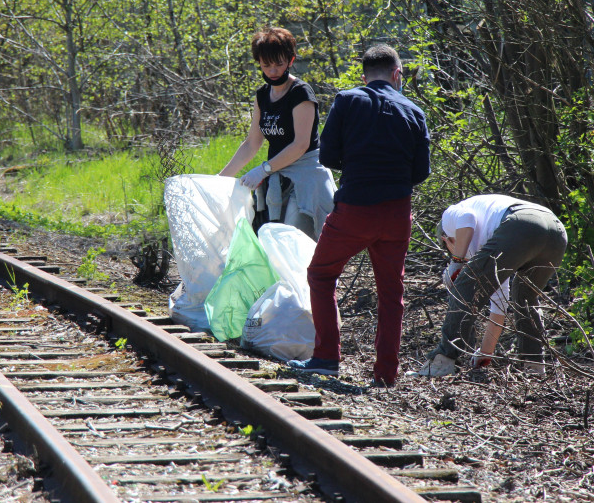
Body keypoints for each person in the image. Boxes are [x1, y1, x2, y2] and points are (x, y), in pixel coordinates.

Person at [287, 44, 430, 387]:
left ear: (363, 76)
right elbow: (421, 171)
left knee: (321, 275)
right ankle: (385, 376)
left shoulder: (347, 100)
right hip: (397, 212)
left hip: (354, 210)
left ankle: (325, 358)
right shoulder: (414, 110)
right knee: (391, 293)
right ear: (398, 75)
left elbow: (328, 155)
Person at [413, 194, 568, 378]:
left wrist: (456, 261)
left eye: (448, 249)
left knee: (466, 283)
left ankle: (442, 360)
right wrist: (486, 352)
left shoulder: (449, 218)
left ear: (447, 240)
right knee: (524, 297)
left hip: (522, 223)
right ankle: (533, 365)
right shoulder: (491, 243)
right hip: (556, 231)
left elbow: (466, 219)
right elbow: (500, 305)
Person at [219, 27, 336, 240]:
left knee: (295, 242)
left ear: (290, 60)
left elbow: (300, 145)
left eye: (279, 64)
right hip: (277, 176)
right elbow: (251, 144)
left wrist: (263, 170)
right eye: (266, 65)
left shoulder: (300, 93)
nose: (272, 71)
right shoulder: (262, 95)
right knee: (272, 243)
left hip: (305, 178)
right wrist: (220, 179)